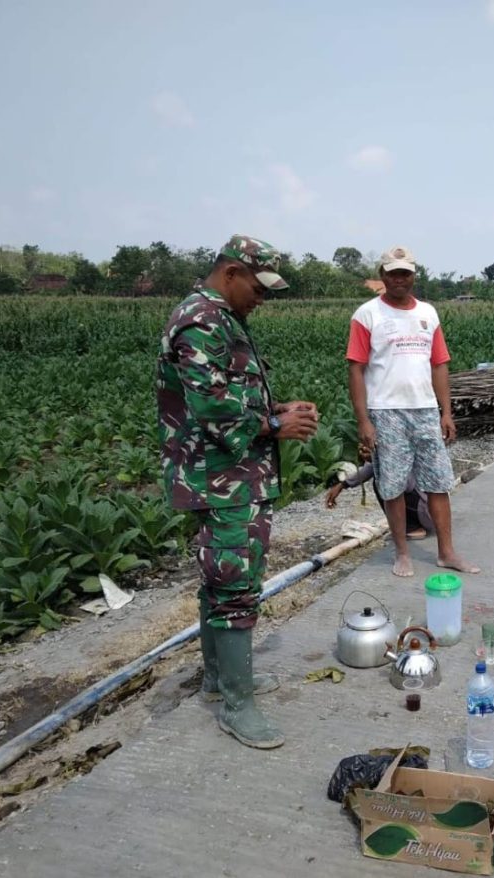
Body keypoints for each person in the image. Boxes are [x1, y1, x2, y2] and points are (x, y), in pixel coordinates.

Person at [157, 234, 318, 749]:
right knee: (234, 583)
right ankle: (237, 705)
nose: (263, 298)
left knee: (220, 579)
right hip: (221, 475)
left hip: (231, 472)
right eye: (259, 287)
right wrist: (274, 422)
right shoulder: (202, 319)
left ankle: (219, 682)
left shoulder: (221, 317)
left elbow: (231, 391)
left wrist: (277, 411)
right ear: (231, 273)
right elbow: (211, 406)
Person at [346, 245, 479, 578]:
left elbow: (440, 365)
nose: (399, 279)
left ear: (414, 276)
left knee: (438, 481)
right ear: (383, 276)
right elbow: (355, 369)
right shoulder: (367, 315)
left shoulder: (428, 314)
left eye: (405, 273)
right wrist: (364, 420)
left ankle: (447, 552)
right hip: (386, 411)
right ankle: (402, 553)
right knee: (391, 485)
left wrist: (445, 411)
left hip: (424, 410)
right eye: (393, 273)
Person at [324, 459, 434, 539]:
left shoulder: (395, 451)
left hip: (425, 511)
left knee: (383, 480)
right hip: (433, 513)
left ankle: (412, 528)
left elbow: (369, 469)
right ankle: (406, 527)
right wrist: (343, 485)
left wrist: (343, 485)